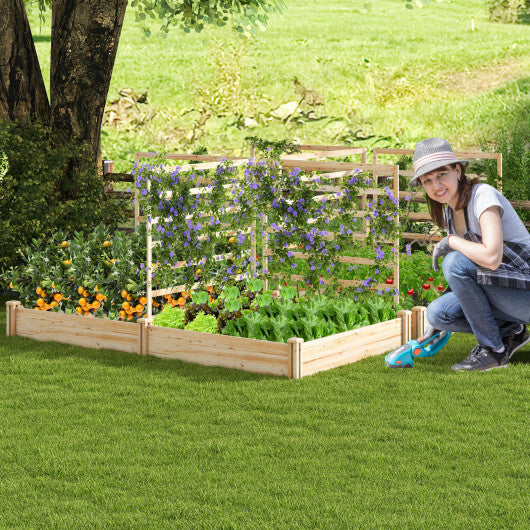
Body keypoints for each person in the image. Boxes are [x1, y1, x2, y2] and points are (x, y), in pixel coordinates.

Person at [410, 138, 530, 371]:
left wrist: (451, 241)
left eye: (441, 174)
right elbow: (471, 276)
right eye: (427, 180)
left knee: (454, 260)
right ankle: (511, 331)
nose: (436, 185)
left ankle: (493, 351)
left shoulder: (483, 196)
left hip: (525, 291)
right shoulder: (449, 213)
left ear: (457, 170)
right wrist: (437, 328)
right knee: (437, 313)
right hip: (505, 291)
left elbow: (492, 258)